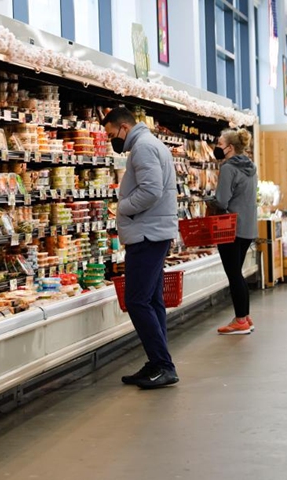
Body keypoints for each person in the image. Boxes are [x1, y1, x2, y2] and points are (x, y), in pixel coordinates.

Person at [104, 107, 180, 389]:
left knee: (136, 300)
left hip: (147, 234)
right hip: (153, 231)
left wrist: (122, 208)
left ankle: (163, 365)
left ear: (124, 128)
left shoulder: (143, 148)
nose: (112, 140)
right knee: (152, 300)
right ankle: (157, 361)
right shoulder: (151, 144)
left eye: (112, 134)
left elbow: (151, 190)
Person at [210, 128, 259, 335]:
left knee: (234, 274)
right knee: (236, 273)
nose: (218, 148)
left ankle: (240, 320)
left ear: (230, 147)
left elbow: (221, 200)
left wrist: (209, 201)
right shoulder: (251, 166)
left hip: (230, 227)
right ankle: (245, 317)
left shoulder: (229, 168)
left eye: (220, 144)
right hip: (248, 227)